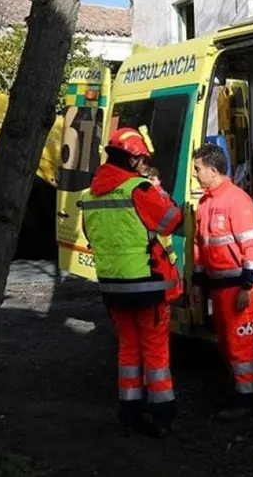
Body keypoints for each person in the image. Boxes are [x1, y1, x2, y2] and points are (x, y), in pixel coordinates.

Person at [80, 127, 183, 438]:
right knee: (155, 353)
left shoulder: (89, 194)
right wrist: (163, 195)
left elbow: (90, 235)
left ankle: (129, 412)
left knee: (128, 350)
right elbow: (171, 221)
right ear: (135, 158)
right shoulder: (138, 189)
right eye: (142, 160)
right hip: (147, 285)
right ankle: (162, 414)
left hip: (111, 287)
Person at [191, 143, 253, 419]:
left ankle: (248, 400)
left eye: (198, 169)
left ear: (213, 170)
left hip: (237, 287)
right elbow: (201, 246)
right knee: (225, 343)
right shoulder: (206, 202)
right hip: (219, 287)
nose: (195, 175)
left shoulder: (237, 200)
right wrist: (199, 282)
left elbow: (252, 247)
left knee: (240, 345)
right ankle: (240, 391)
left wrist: (247, 286)